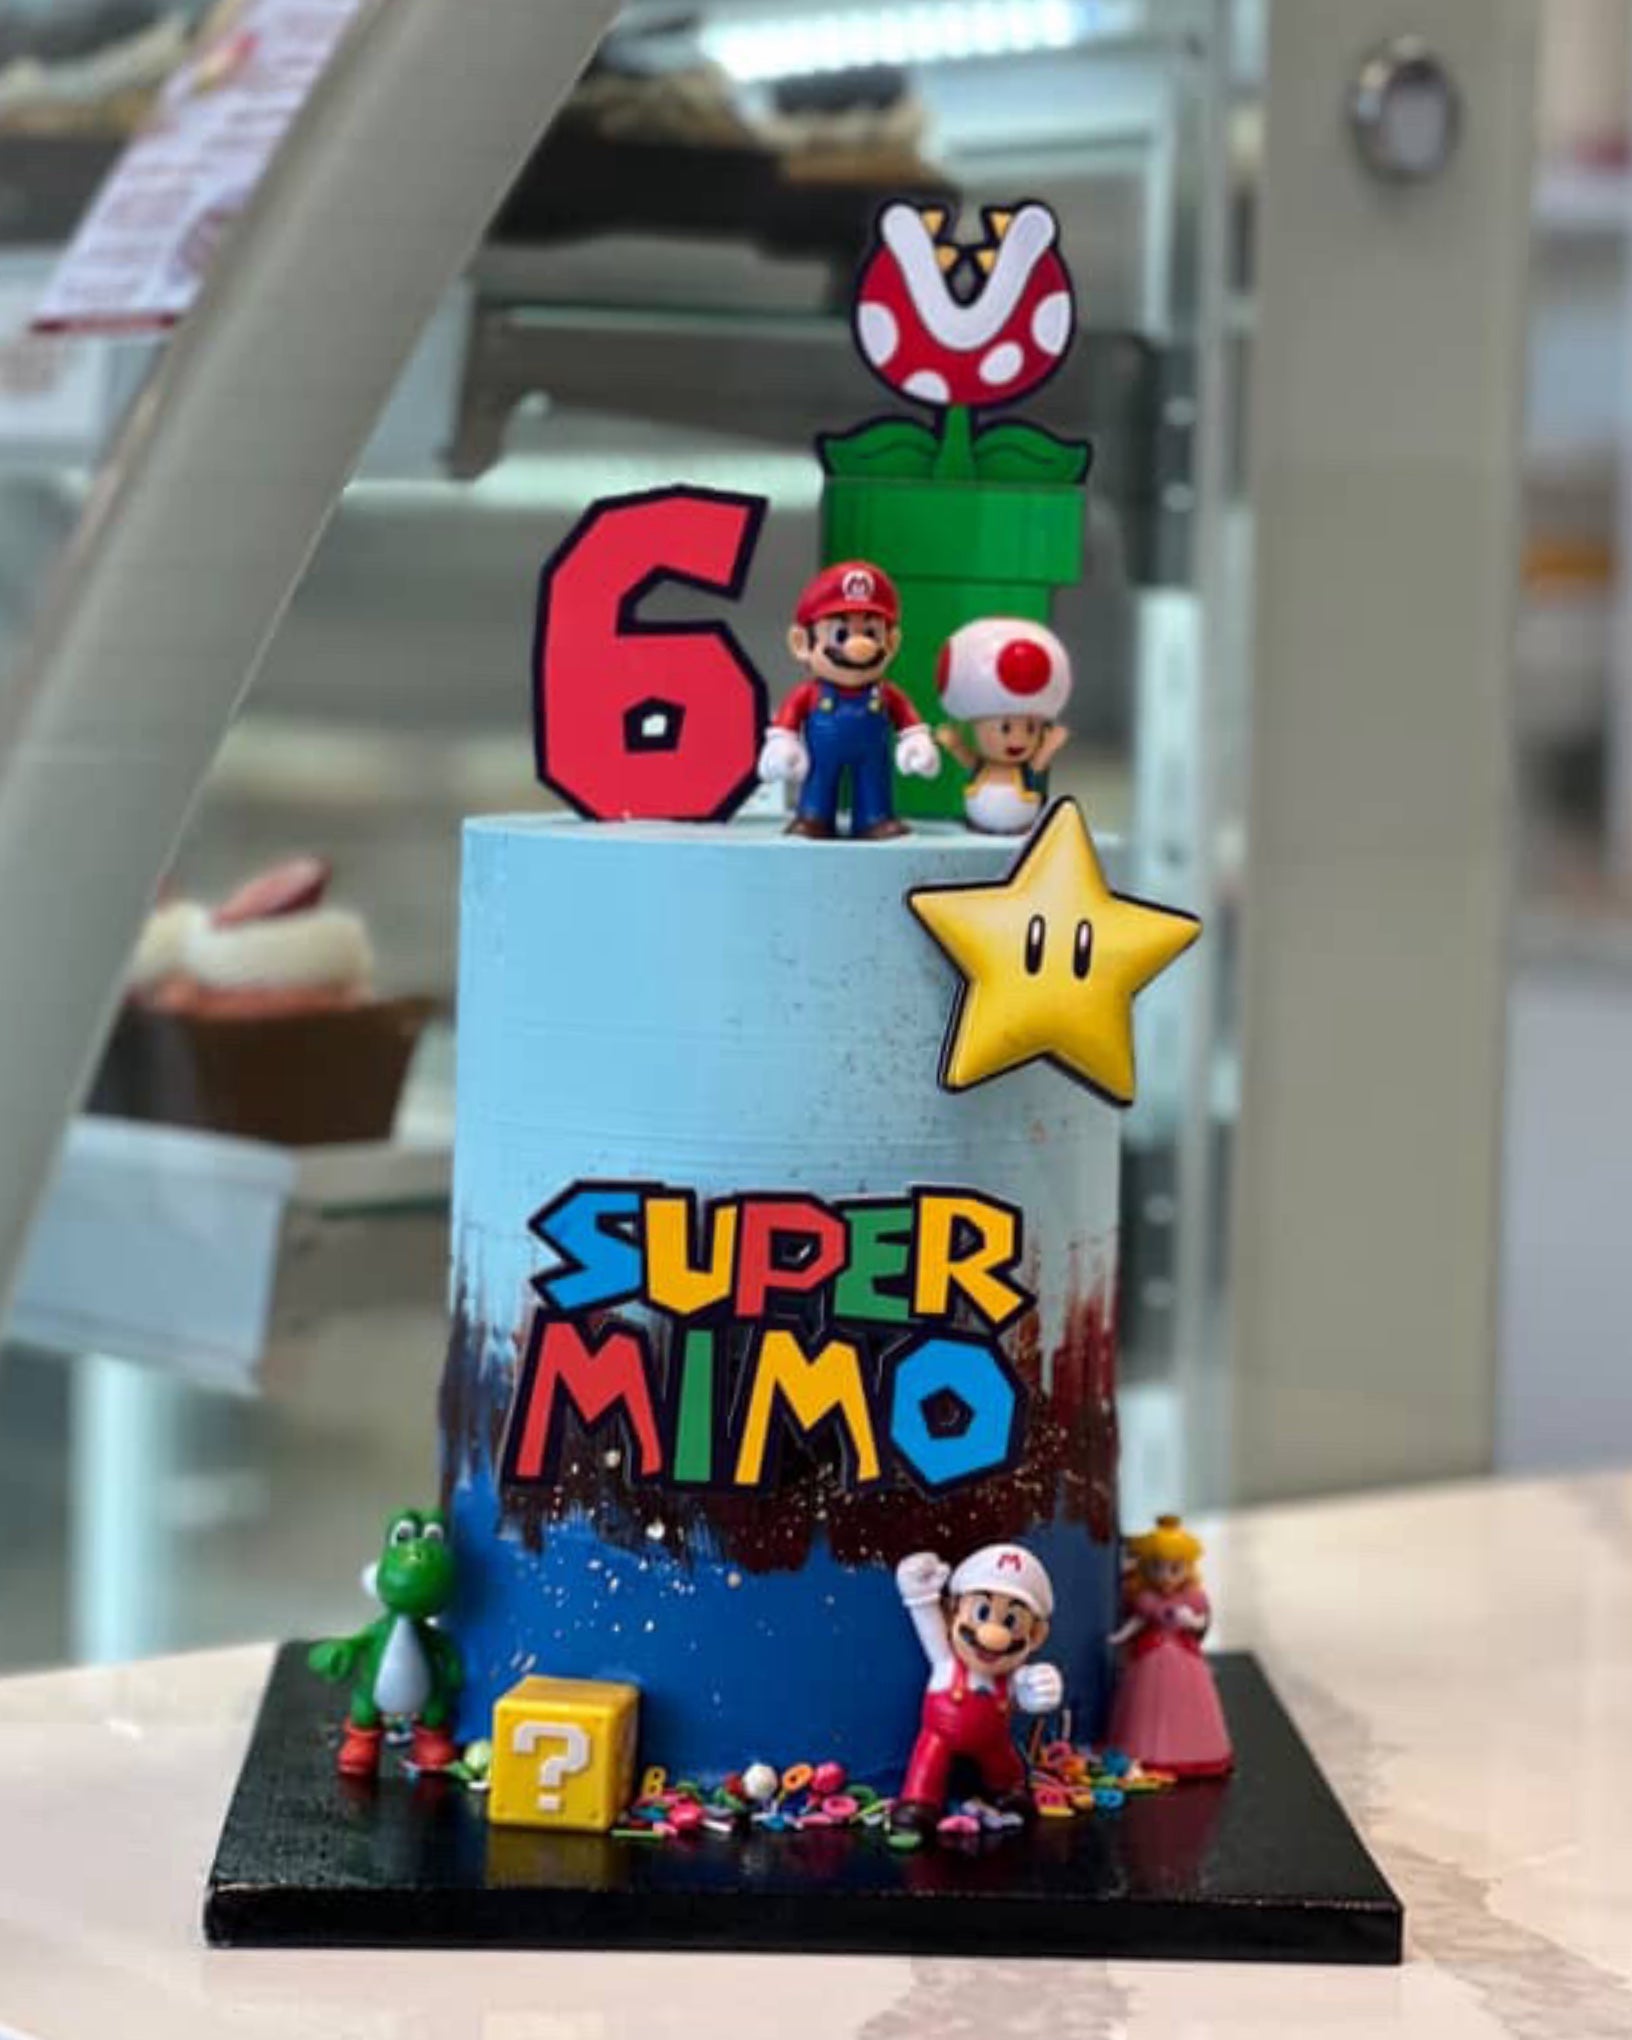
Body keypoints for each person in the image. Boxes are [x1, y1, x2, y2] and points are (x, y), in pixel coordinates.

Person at [891, 1542, 1064, 1836]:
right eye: (983, 1612)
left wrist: (1039, 1689)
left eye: (1010, 1621)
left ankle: (1008, 1791)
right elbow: (926, 1620)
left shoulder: (1009, 1678)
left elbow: (1024, 1692)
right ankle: (919, 1801)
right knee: (929, 1760)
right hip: (939, 1736)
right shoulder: (945, 1661)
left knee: (1004, 1763)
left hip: (993, 1740)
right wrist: (918, 1592)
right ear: (952, 1614)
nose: (994, 1636)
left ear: (1035, 1636)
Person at [758, 561, 940, 838]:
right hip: (821, 754)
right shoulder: (810, 693)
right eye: (841, 635)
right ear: (801, 643)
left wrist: (916, 739)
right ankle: (813, 817)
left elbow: (906, 716)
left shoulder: (885, 693)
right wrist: (783, 742)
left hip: (873, 752)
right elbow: (789, 716)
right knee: (818, 781)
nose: (859, 647)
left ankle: (875, 818)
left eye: (871, 633)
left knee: (874, 781)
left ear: (891, 643)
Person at [1105, 1514, 1234, 1778]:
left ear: (1188, 1567)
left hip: (1183, 1657)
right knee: (1145, 1705)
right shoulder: (1146, 1597)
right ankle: (1143, 1753)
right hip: (1150, 1655)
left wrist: (1190, 1621)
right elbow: (1139, 1621)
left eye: (1174, 1569)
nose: (1165, 1577)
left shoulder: (1193, 1597)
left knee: (1187, 1704)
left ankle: (1193, 1751)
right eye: (1157, 1568)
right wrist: (1120, 1636)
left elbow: (1200, 1623)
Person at [933, 617, 1073, 834]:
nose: (1018, 740)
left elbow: (1038, 763)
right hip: (977, 830)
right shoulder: (982, 765)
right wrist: (955, 745)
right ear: (977, 726)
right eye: (1005, 728)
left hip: (1023, 832)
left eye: (1030, 729)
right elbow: (968, 759)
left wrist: (1049, 746)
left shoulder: (1027, 771)